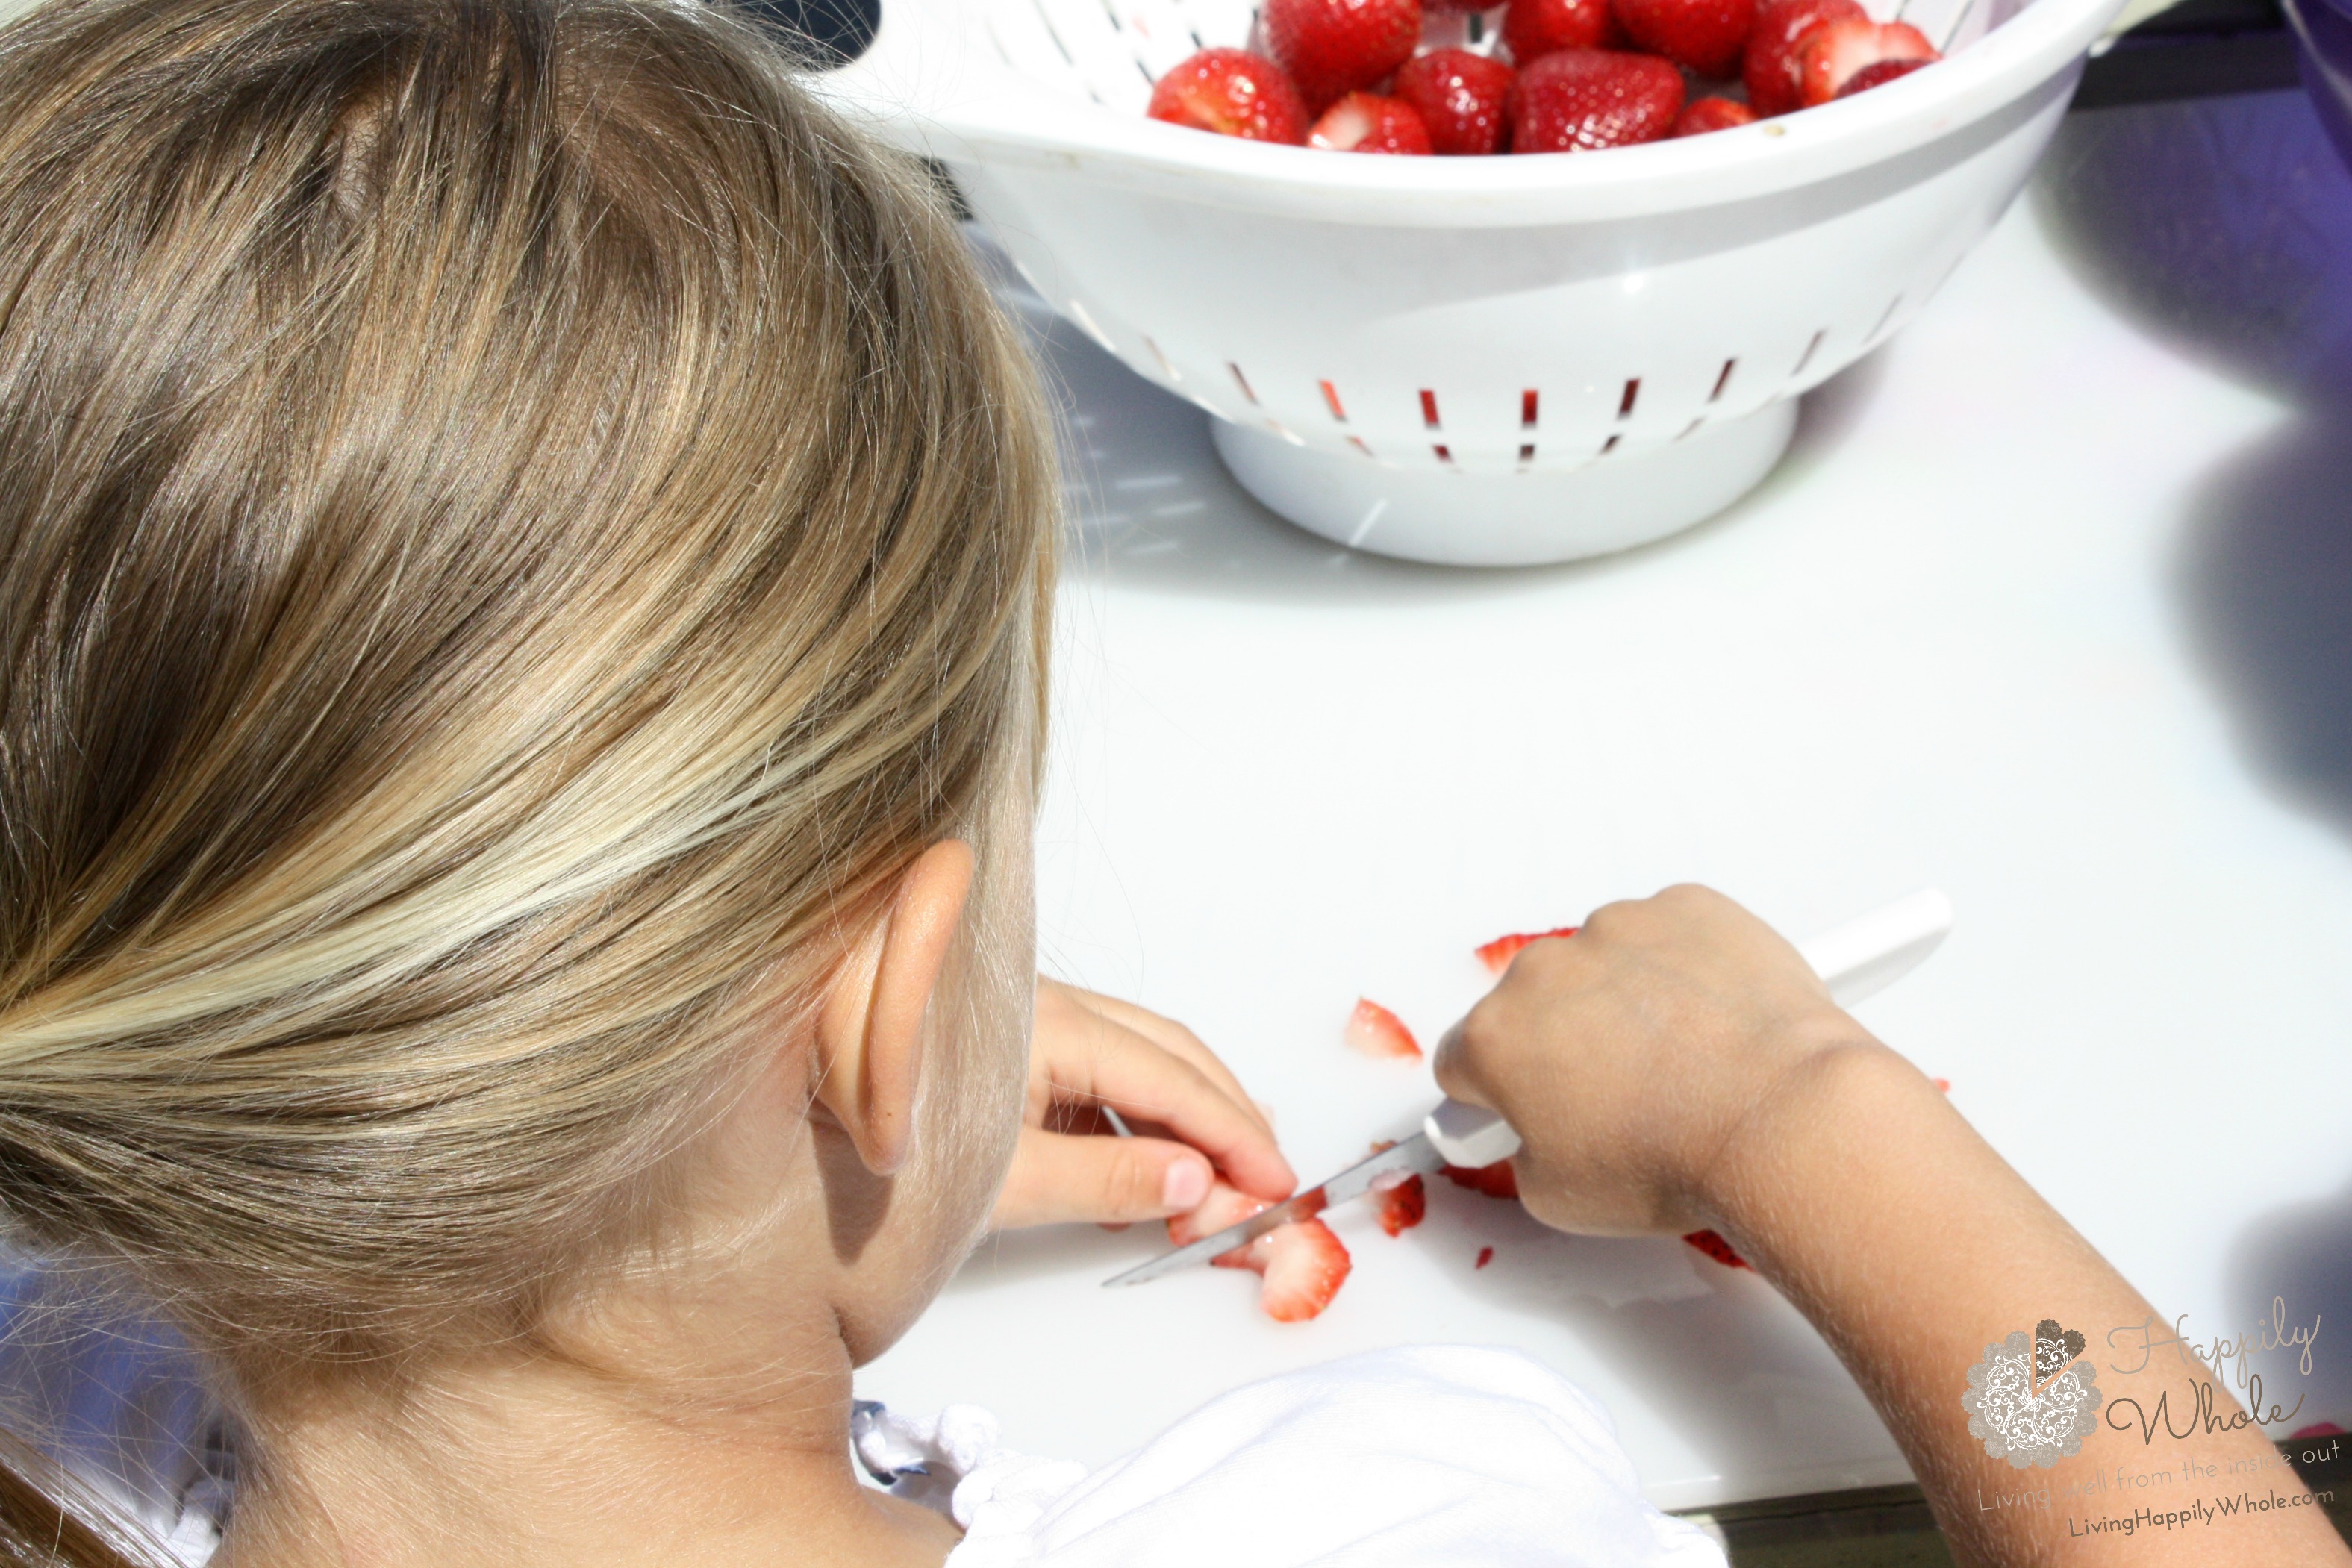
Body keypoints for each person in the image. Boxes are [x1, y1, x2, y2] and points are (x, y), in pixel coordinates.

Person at [0, 3, 2337, 1567]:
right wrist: (1815, 1112)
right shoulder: (1426, 1525)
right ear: (885, 1017)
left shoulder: (76, 1397)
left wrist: (716, 1140)